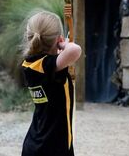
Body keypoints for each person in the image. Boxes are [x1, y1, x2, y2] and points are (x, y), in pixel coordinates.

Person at [20, 10, 81, 156]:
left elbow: (52, 64)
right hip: (53, 148)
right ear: (58, 40)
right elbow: (75, 50)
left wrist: (58, 47)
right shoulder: (48, 66)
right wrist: (65, 44)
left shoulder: (29, 65)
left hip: (33, 145)